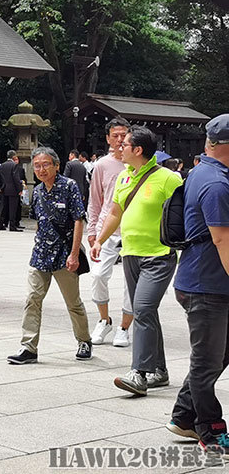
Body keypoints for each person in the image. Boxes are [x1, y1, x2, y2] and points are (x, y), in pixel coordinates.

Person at [90, 125, 184, 396]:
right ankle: (160, 371)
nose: (119, 147)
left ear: (138, 150)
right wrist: (98, 239)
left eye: (125, 144)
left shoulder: (169, 179)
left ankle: (139, 373)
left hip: (159, 255)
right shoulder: (124, 178)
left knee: (141, 309)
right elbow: (115, 214)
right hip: (130, 253)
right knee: (147, 313)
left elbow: (186, 215)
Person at [168, 114, 229, 452]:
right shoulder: (217, 183)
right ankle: (211, 430)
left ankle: (182, 415)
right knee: (207, 363)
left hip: (206, 281)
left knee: (218, 356)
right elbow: (222, 241)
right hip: (207, 286)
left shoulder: (203, 172)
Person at [7, 147, 93, 364]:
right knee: (32, 299)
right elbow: (40, 221)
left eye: (46, 164)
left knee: (73, 302)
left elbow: (78, 220)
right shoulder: (37, 191)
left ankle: (84, 340)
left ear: (56, 165)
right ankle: (28, 347)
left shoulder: (69, 186)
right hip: (40, 255)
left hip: (64, 254)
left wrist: (74, 254)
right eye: (37, 165)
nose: (41, 169)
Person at [86, 117, 134, 348]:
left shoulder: (137, 162)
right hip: (108, 228)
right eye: (114, 136)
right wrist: (92, 229)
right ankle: (104, 319)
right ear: (107, 138)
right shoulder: (102, 165)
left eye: (123, 135)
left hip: (134, 228)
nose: (119, 140)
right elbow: (95, 200)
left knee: (131, 281)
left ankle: (125, 326)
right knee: (98, 275)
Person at [0, 150, 26, 232]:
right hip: (13, 189)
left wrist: (0, 186)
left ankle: (0, 224)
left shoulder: (2, 165)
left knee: (3, 207)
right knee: (13, 208)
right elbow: (16, 178)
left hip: (4, 188)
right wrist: (19, 189)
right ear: (14, 157)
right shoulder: (14, 165)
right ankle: (12, 226)